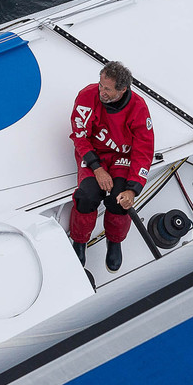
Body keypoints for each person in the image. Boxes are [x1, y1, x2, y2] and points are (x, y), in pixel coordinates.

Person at [68, 61, 154, 272]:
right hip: (93, 154)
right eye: (100, 84)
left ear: (122, 90)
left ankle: (114, 240)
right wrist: (97, 168)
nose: (101, 91)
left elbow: (144, 150)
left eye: (107, 88)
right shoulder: (87, 96)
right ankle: (80, 241)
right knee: (87, 195)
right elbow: (79, 135)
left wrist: (133, 188)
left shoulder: (138, 108)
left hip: (120, 158)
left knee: (119, 200)